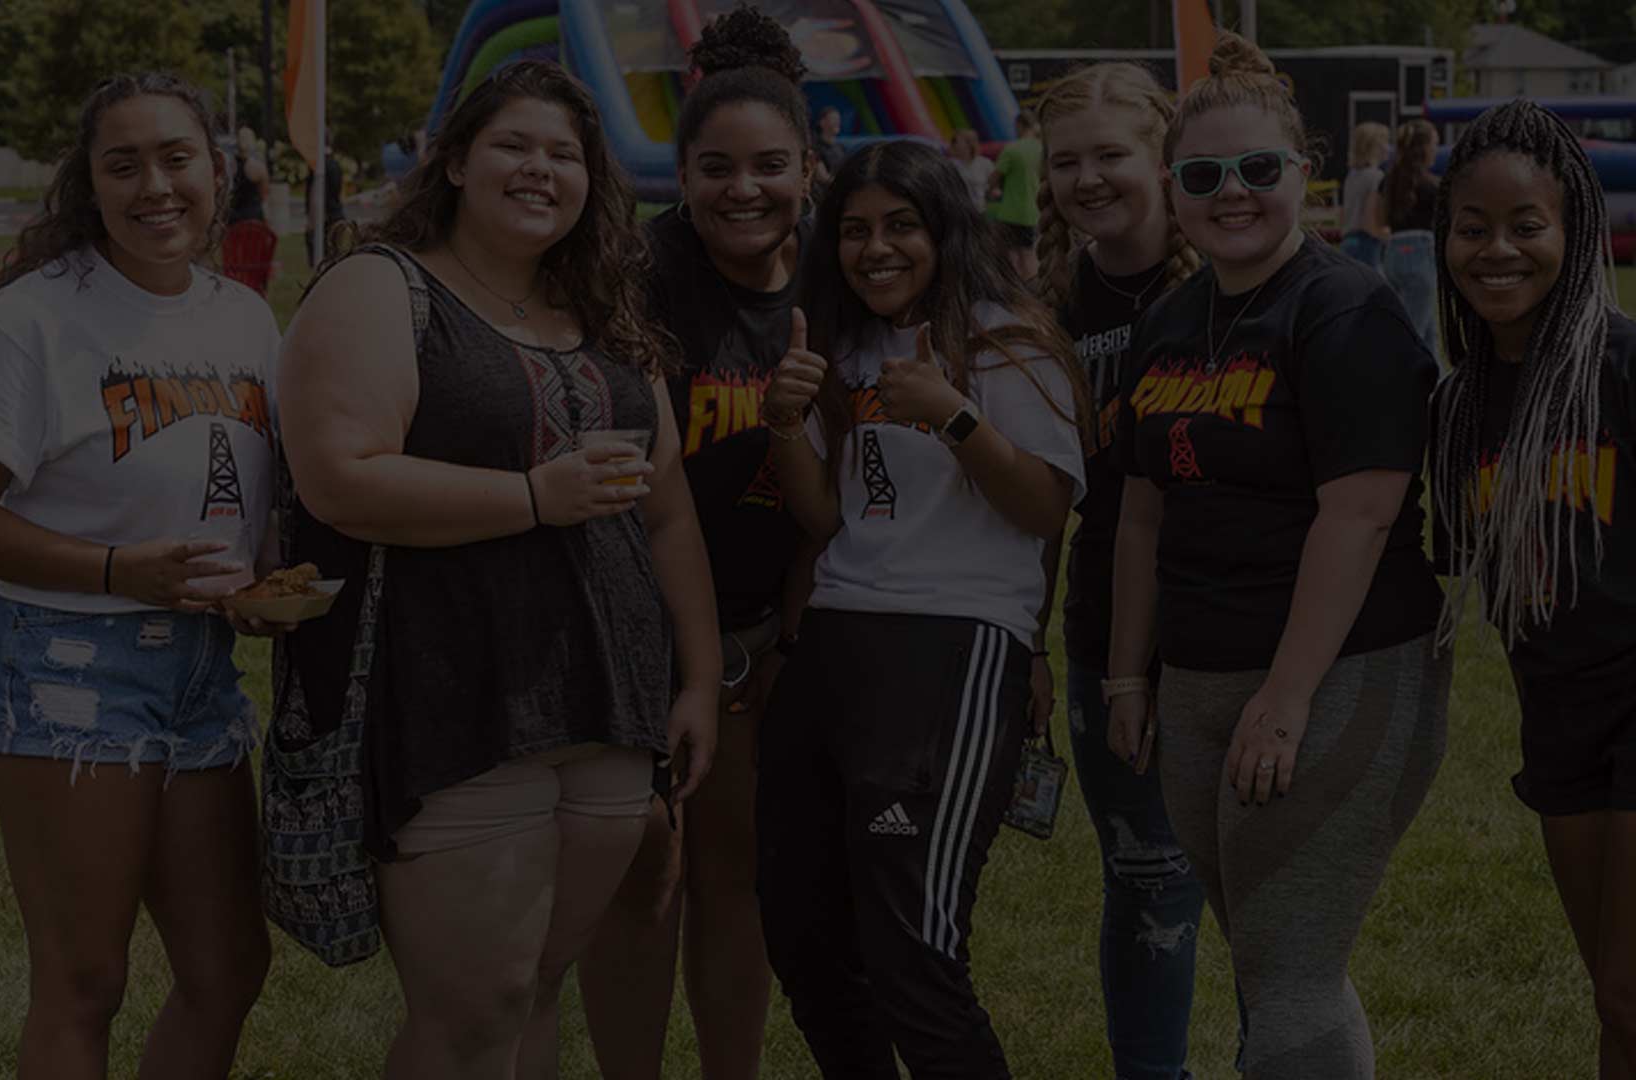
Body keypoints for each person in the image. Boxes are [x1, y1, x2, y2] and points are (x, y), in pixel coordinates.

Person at [273, 60, 720, 1079]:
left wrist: (695, 679)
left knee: (533, 992)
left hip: (611, 701)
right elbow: (339, 478)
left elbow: (667, 511)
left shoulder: (607, 312)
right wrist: (530, 497)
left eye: (565, 154)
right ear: (457, 160)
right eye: (515, 144)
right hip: (453, 701)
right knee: (470, 1015)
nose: (540, 169)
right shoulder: (382, 286)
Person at [1104, 33, 1449, 1078]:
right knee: (1271, 954)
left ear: (1306, 173)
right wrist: (1127, 669)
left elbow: (1360, 518)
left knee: (1290, 966)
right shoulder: (1170, 320)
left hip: (1338, 673)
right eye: (1205, 176)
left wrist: (1289, 696)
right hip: (1203, 674)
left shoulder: (1347, 310)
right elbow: (1140, 514)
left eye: (1260, 169)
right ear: (1175, 188)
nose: (1234, 193)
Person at [0, 72, 282, 1078]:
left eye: (176, 159)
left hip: (200, 664)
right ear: (88, 183)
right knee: (85, 981)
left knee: (228, 968)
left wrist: (259, 582)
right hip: (65, 657)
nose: (154, 186)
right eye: (122, 165)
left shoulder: (246, 320)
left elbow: (234, 489)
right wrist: (122, 568)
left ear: (217, 173)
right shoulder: (37, 318)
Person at [756, 138, 1090, 1079]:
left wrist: (953, 413)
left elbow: (1042, 510)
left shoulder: (1009, 341)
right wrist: (786, 426)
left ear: (946, 228)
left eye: (901, 225)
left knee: (916, 955)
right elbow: (826, 512)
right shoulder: (839, 344)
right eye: (855, 230)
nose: (876, 249)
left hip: (953, 646)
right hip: (834, 641)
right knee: (807, 941)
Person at [1429, 99, 1636, 1080]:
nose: (1497, 251)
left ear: (1576, 231)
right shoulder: (1458, 404)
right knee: (1613, 988)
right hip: (1559, 719)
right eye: (1472, 229)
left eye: (1527, 227)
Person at [578, 7, 813, 1079]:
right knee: (646, 879)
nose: (743, 190)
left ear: (807, 169)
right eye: (716, 169)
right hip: (637, 639)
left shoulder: (839, 277)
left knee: (739, 880)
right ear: (681, 171)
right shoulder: (636, 279)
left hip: (767, 639)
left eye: (770, 167)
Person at [1034, 61, 1206, 1080]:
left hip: (1235, 633)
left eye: (1111, 155)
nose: (1088, 179)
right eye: (1066, 162)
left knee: (1266, 899)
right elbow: (1038, 502)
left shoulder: (1232, 278)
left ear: (1163, 158)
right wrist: (1031, 643)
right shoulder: (1045, 303)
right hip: (1106, 634)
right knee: (1144, 880)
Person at [1381, 118, 1439, 351]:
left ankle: (1437, 385)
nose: (1436, 149)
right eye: (1435, 144)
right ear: (1424, 148)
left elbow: (1379, 220)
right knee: (1415, 333)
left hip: (1393, 254)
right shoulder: (1432, 186)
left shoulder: (1389, 181)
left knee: (1427, 332)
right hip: (1420, 254)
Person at [987, 112, 1043, 281]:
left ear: (1019, 125)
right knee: (1030, 255)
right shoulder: (1043, 148)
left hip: (1012, 212)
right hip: (1036, 212)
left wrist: (995, 188)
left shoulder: (1013, 148)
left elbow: (994, 178)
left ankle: (1015, 295)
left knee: (1009, 257)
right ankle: (1032, 291)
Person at [1338, 121, 1389, 271]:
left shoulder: (1352, 175)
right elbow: (1369, 221)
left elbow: (1343, 213)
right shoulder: (1376, 176)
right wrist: (1387, 237)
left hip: (1347, 241)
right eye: (1385, 142)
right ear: (1374, 147)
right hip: (1366, 243)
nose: (1388, 147)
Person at [304, 129, 346, 267]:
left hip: (324, 220)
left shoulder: (318, 166)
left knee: (321, 265)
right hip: (337, 216)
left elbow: (315, 196)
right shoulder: (335, 164)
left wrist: (312, 222)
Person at [229, 124, 271, 225]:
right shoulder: (259, 167)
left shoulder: (230, 166)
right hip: (254, 217)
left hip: (235, 217)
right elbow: (264, 195)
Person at [950, 127, 994, 212]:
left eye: (958, 141)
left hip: (980, 210)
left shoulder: (985, 163)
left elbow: (994, 187)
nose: (954, 144)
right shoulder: (952, 165)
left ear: (969, 144)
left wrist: (990, 195)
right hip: (959, 211)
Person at [811, 104, 847, 200]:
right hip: (825, 196)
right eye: (833, 119)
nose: (837, 122)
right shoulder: (815, 147)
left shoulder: (841, 148)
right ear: (822, 123)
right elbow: (822, 177)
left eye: (838, 119)